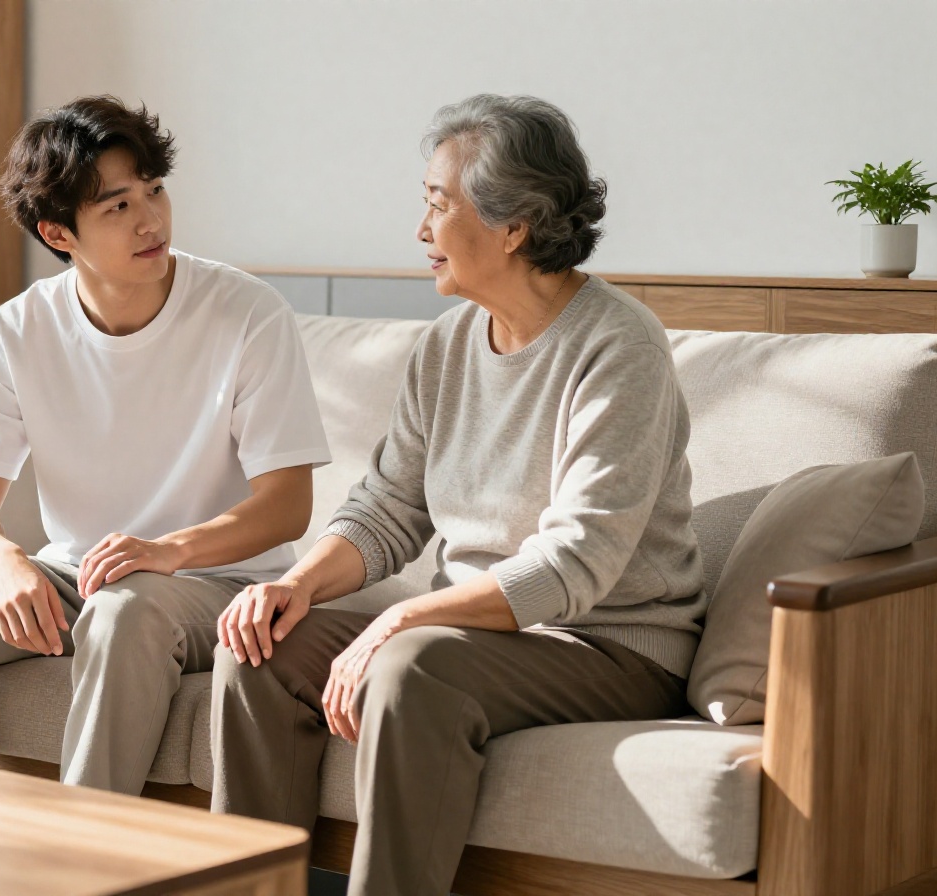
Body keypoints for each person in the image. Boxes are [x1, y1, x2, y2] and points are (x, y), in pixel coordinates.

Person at [210, 94, 707, 896]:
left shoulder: (620, 346)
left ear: (513, 226)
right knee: (258, 648)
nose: (420, 231)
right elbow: (389, 507)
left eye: (437, 205)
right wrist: (292, 587)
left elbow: (580, 560)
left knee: (410, 665)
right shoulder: (445, 346)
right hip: (480, 635)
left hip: (608, 643)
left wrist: (404, 616)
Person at [0, 95, 332, 795]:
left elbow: (288, 507)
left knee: (130, 604)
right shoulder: (17, 330)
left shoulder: (247, 313)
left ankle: (80, 856)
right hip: (80, 582)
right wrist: (4, 562)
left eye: (155, 190)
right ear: (59, 233)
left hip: (212, 587)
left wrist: (168, 551)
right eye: (117, 207)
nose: (151, 220)